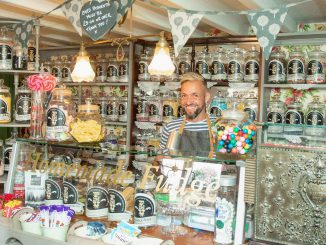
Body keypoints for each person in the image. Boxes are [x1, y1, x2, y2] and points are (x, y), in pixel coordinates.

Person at [154, 72, 216, 165]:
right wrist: (158, 161)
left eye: (195, 95)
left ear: (206, 97)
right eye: (184, 95)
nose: (188, 101)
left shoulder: (220, 126)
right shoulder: (171, 128)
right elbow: (159, 165)